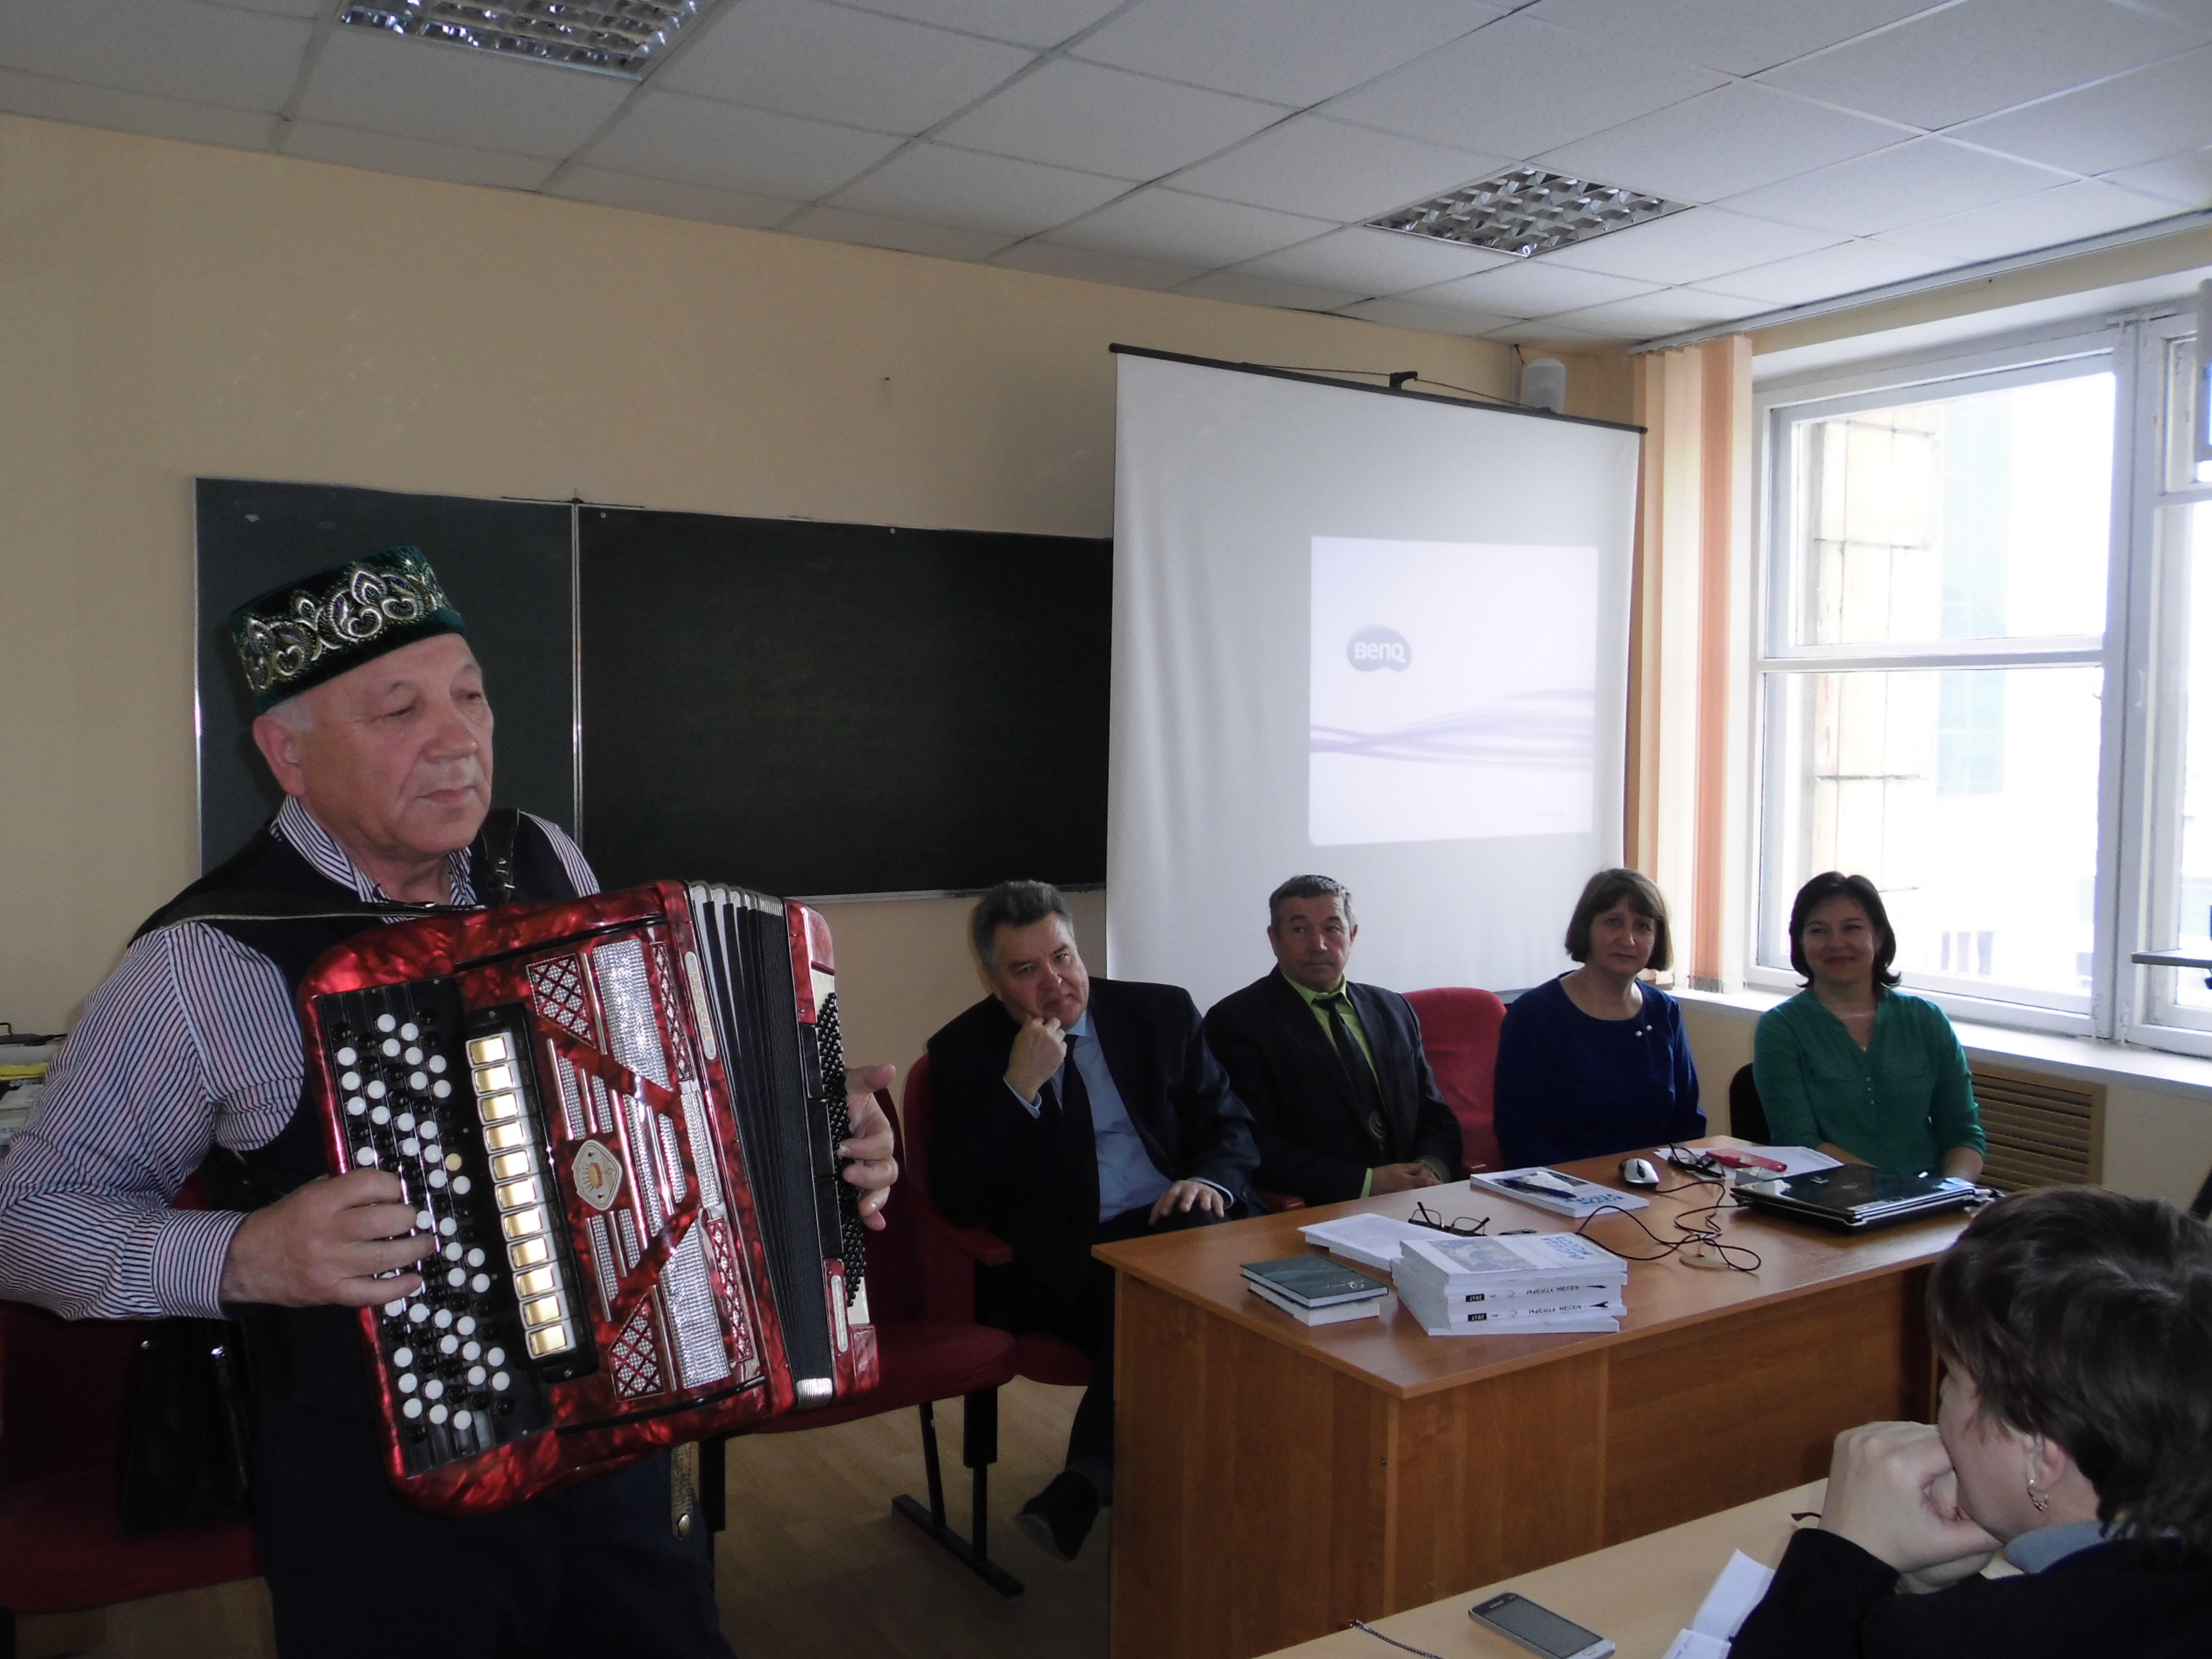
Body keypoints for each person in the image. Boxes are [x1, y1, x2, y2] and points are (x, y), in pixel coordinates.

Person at [0, 548, 901, 1658]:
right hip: (382, 1503)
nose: (457, 738)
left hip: (622, 1446)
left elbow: (658, 1098)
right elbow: (23, 1219)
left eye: (470, 696)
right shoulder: (203, 962)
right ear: (286, 754)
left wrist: (816, 1131)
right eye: (399, 710)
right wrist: (242, 1255)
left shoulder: (544, 857)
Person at [926, 879, 1258, 1563]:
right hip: (1069, 1263)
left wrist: (1205, 1180)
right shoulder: (964, 1053)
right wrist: (1018, 1087)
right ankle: (1193, 1500)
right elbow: (958, 1199)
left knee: (1180, 1259)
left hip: (1179, 1225)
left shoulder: (1159, 1013)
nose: (1055, 983)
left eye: (1063, 957)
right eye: (1027, 969)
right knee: (1164, 1300)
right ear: (993, 980)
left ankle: (1089, 1480)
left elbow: (1229, 1125)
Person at [1732, 1185, 2212, 1656]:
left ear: (2041, 1455)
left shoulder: (1950, 1638)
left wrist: (1843, 1558)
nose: (1940, 1401)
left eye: (1954, 1380)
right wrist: (1927, 1587)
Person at [1202, 874, 1461, 1205]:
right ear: (1274, 939)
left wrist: (1430, 1170)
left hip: (1421, 1202)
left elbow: (1435, 1114)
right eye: (1300, 930)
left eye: (1332, 929)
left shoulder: (1393, 1009)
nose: (1319, 945)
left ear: (1352, 935)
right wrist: (1367, 1183)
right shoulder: (1237, 1022)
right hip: (1322, 1208)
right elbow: (1252, 1142)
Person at [1754, 871, 1984, 1179]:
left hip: (1931, 1197)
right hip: (1827, 1195)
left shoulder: (1926, 1020)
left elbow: (1963, 1135)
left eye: (1852, 928)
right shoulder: (1781, 1028)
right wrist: (1900, 1193)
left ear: (1877, 938)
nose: (1836, 943)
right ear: (1801, 943)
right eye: (1818, 931)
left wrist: (1951, 1191)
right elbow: (1799, 1142)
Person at [1491, 868, 1702, 1167]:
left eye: (1643, 926)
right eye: (1613, 922)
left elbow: (1688, 1122)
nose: (1628, 939)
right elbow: (1520, 1136)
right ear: (1586, 928)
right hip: (1564, 1187)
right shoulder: (1535, 1015)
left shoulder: (1665, 1011)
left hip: (1656, 1184)